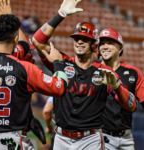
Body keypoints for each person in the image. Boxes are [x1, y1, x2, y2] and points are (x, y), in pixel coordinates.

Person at [32, 0, 137, 149]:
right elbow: (37, 41)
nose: (79, 42)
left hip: (90, 139)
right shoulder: (62, 62)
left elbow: (131, 105)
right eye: (76, 38)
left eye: (85, 39)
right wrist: (60, 15)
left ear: (94, 45)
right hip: (61, 138)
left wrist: (117, 86)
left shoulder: (105, 71)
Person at [0, 4, 68, 150]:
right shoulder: (24, 67)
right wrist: (58, 63)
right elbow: (59, 88)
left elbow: (22, 45)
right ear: (14, 40)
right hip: (10, 140)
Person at [98, 29, 144, 150]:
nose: (105, 46)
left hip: (127, 138)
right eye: (102, 43)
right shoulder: (92, 70)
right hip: (101, 136)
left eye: (110, 43)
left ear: (121, 48)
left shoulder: (134, 72)